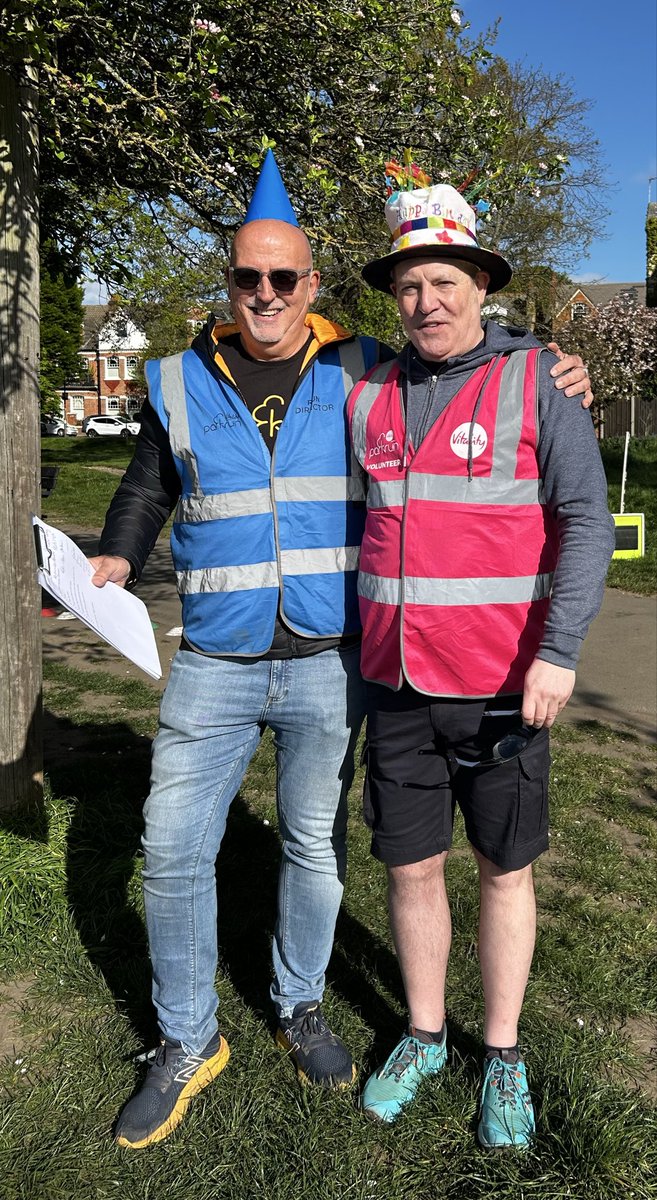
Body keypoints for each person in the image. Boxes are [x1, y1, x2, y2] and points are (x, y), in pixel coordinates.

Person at [88, 153, 591, 1150]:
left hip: (405, 671)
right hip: (297, 668)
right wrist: (112, 553)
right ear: (230, 283)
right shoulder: (258, 383)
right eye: (248, 276)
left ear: (313, 286)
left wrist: (547, 359)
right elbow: (149, 481)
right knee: (221, 852)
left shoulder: (406, 370)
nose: (267, 293)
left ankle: (411, 1032)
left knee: (396, 857)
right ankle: (240, 1039)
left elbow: (529, 433)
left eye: (286, 277)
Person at [347, 176, 615, 1149]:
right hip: (398, 687)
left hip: (509, 690)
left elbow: (587, 521)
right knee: (412, 871)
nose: (428, 301)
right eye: (411, 284)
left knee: (504, 872)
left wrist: (561, 653)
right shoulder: (367, 388)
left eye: (445, 280)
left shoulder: (541, 379)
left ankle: (500, 1052)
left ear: (481, 283)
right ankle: (423, 1034)